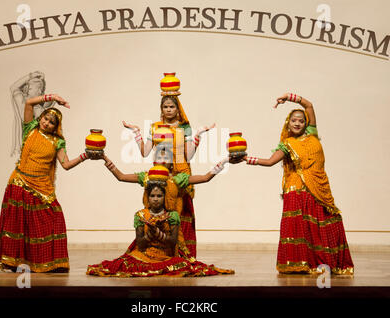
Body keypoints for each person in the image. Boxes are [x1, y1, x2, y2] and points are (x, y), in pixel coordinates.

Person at [239, 92, 354, 275]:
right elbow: (269, 162)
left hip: (319, 188)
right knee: (301, 227)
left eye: (301, 120)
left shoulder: (312, 134)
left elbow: (309, 105)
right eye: (294, 120)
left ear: (306, 123)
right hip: (297, 189)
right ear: (288, 123)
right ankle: (299, 264)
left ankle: (326, 263)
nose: (298, 123)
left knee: (323, 223)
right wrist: (247, 159)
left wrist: (289, 96)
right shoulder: (287, 144)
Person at [0, 94, 90, 273]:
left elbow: (66, 164)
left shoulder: (57, 141)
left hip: (42, 187)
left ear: (56, 127)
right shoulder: (30, 129)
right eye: (45, 118)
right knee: (17, 225)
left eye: (51, 122)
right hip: (20, 183)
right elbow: (29, 102)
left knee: (55, 218)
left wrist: (86, 156)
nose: (46, 123)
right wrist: (52, 97)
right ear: (41, 118)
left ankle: (51, 263)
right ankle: (11, 262)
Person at [123, 85, 215, 257]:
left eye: (172, 106)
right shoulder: (155, 127)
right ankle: (156, 254)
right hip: (159, 178)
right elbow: (145, 152)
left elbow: (188, 155)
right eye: (165, 107)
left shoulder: (184, 127)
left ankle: (180, 255)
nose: (169, 109)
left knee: (175, 217)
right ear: (161, 109)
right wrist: (136, 132)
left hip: (179, 178)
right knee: (157, 214)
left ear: (177, 108)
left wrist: (199, 135)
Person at [100, 143, 228, 258]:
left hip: (169, 225)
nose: (161, 161)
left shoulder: (177, 179)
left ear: (172, 162)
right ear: (154, 161)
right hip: (147, 222)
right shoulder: (147, 177)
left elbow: (205, 178)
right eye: (158, 158)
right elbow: (121, 176)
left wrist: (224, 162)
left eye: (165, 158)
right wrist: (104, 158)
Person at [86, 183, 234, 277]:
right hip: (144, 255)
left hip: (165, 255)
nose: (155, 199)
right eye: (152, 196)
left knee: (182, 265)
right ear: (147, 197)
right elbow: (141, 244)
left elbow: (172, 243)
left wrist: (158, 232)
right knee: (124, 265)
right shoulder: (140, 215)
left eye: (159, 195)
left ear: (164, 197)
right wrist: (150, 233)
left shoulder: (172, 215)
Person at [10, 71, 55, 156]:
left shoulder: (41, 107)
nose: (40, 92)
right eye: (37, 88)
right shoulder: (23, 102)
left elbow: (52, 100)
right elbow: (13, 88)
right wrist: (31, 76)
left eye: (30, 88)